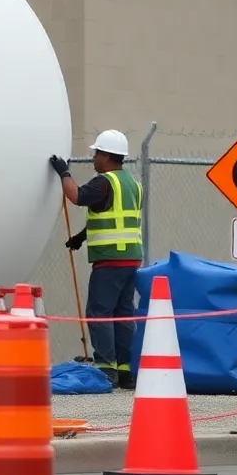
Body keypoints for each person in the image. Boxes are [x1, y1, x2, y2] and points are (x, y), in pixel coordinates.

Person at [49, 129, 143, 389]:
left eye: (97, 153)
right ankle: (125, 370)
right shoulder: (133, 184)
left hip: (109, 261)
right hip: (131, 259)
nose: (93, 157)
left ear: (108, 156)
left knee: (99, 313)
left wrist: (63, 173)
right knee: (123, 315)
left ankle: (105, 368)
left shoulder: (104, 182)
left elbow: (76, 196)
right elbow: (112, 217)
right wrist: (81, 236)